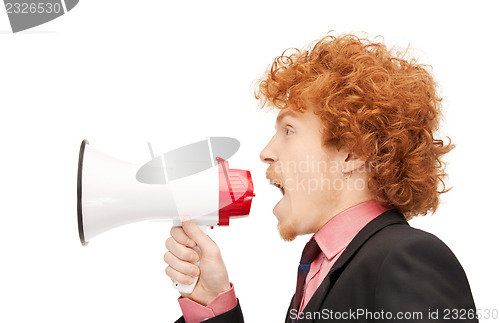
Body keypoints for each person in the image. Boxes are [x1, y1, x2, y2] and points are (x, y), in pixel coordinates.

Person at [164, 33, 478, 322]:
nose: (266, 152)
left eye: (288, 130)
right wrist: (213, 303)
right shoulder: (322, 269)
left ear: (352, 152)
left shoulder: (408, 259)